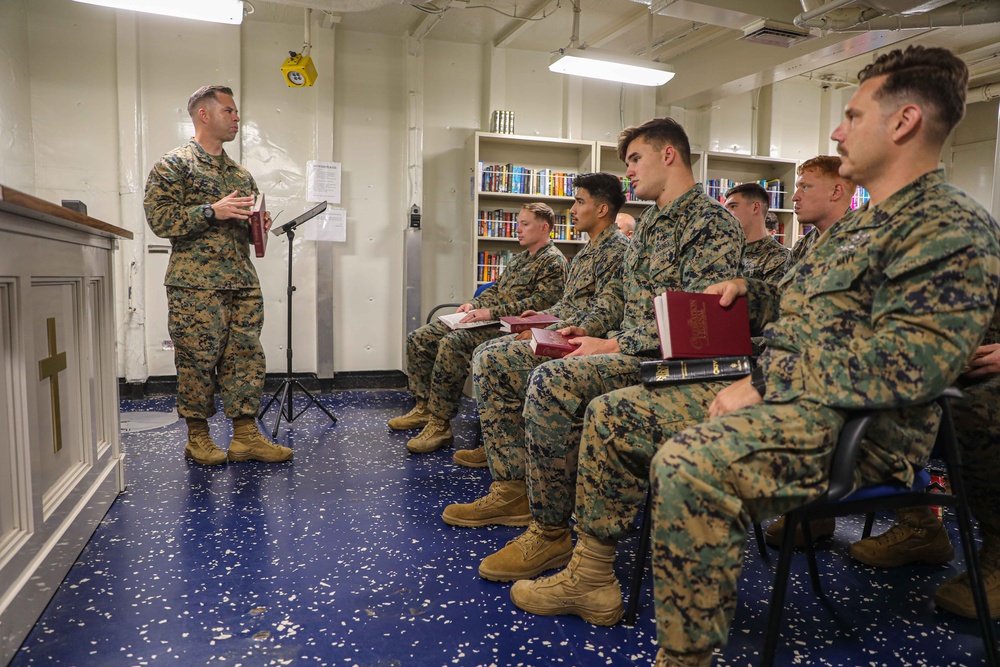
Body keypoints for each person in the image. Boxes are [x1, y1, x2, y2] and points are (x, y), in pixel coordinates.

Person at [634, 45, 998, 666]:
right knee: (639, 417)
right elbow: (812, 325)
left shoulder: (946, 224)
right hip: (818, 404)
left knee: (690, 463)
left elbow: (909, 366)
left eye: (853, 116)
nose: (837, 129)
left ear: (903, 122)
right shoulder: (865, 226)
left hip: (871, 430)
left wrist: (767, 380)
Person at [476, 117, 745, 583]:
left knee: (552, 380)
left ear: (669, 155)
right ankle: (526, 500)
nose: (630, 173)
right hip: (630, 347)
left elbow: (696, 324)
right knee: (515, 360)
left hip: (674, 364)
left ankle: (551, 531)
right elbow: (620, 297)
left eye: (635, 160)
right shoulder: (649, 224)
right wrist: (583, 327)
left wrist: (617, 342)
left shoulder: (710, 223)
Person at [443, 172, 628, 511]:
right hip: (567, 330)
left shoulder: (616, 250)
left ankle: (512, 486)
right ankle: (508, 464)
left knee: (491, 359)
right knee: (488, 350)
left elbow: (605, 313)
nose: (572, 209)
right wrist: (541, 317)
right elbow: (569, 304)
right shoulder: (589, 251)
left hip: (585, 342)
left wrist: (551, 330)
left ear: (602, 209)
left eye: (580, 201)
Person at [144, 85, 292, 466]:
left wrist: (257, 225)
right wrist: (211, 210)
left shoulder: (240, 175)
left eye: (236, 112)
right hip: (195, 284)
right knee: (197, 359)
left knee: (246, 357)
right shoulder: (174, 165)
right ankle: (198, 437)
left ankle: (245, 436)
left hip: (241, 280)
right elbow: (160, 221)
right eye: (229, 111)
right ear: (204, 115)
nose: (237, 118)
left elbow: (243, 227)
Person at [389, 203, 567, 454]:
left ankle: (440, 425)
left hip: (515, 328)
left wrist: (490, 312)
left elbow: (542, 305)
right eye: (518, 223)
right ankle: (424, 407)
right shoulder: (519, 259)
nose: (517, 229)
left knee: (454, 342)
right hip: (493, 319)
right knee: (420, 338)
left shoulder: (553, 261)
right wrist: (474, 304)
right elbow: (495, 290)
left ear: (544, 227)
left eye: (524, 224)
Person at [847, 309, 1000, 588]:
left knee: (977, 408)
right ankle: (918, 523)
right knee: (868, 375)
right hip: (953, 355)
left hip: (988, 368)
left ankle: (997, 556)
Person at [761, 155, 857, 547]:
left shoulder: (858, 241)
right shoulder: (807, 244)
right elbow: (784, 301)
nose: (794, 196)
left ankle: (920, 523)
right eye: (796, 186)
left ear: (838, 191)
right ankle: (812, 510)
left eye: (805, 187)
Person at [786, 156, 856, 270]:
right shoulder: (801, 248)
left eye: (805, 187)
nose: (794, 197)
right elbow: (786, 288)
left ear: (835, 192)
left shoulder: (866, 241)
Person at [723, 182, 789, 285]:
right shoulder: (726, 252)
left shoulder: (779, 257)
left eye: (733, 206)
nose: (725, 214)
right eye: (725, 208)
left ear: (755, 207)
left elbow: (773, 298)